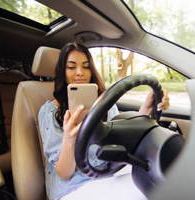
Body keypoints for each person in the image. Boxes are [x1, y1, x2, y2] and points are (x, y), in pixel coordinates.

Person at [38, 42, 170, 200]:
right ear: (62, 71)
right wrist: (70, 138)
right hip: (73, 187)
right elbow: (64, 174)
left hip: (107, 172)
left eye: (86, 66)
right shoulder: (50, 112)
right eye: (71, 67)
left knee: (160, 176)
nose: (79, 72)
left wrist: (148, 107)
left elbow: (120, 137)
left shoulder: (105, 103)